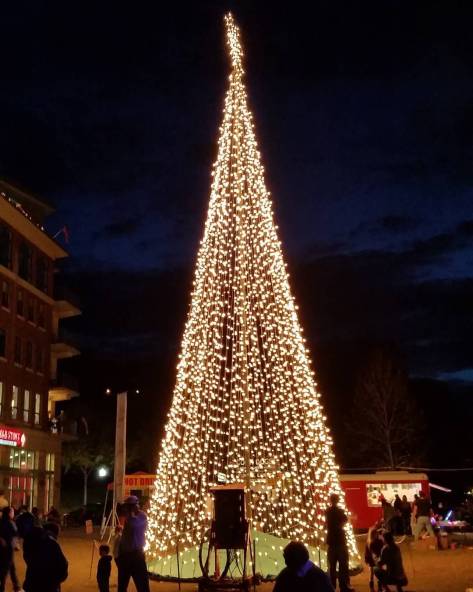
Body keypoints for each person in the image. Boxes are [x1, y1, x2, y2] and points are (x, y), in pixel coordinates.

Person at [116, 496, 150, 592]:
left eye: (127, 506)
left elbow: (134, 525)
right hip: (126, 555)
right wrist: (122, 529)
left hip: (136, 555)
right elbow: (131, 531)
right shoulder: (131, 518)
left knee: (142, 585)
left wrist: (130, 514)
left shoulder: (141, 516)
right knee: (122, 585)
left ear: (134, 506)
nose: (125, 509)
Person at [23, 522, 68, 592]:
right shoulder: (52, 544)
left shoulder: (32, 541)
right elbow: (62, 566)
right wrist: (57, 580)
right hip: (48, 586)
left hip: (31, 583)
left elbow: (27, 557)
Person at [325, 493, 354, 592]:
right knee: (343, 565)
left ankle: (331, 586)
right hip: (340, 540)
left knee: (332, 566)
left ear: (330, 500)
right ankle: (344, 586)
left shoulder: (327, 511)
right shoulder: (340, 511)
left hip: (331, 541)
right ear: (337, 500)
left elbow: (327, 524)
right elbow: (345, 520)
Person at [0, 506, 21, 592]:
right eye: (12, 512)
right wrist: (15, 545)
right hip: (8, 549)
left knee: (11, 567)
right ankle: (3, 587)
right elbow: (15, 535)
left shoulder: (2, 522)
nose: (13, 513)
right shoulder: (10, 523)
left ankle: (16, 585)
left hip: (4, 549)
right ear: (8, 513)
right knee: (5, 569)